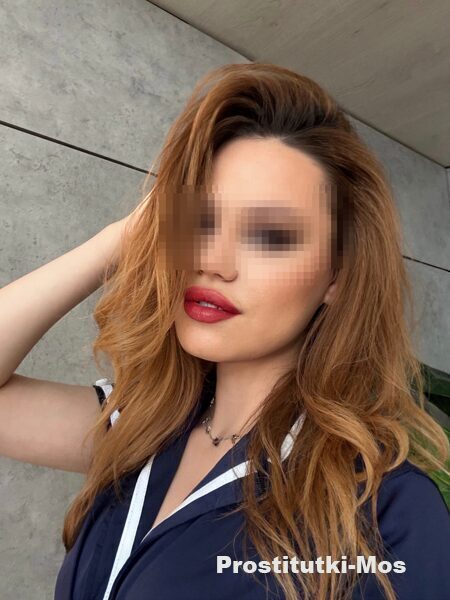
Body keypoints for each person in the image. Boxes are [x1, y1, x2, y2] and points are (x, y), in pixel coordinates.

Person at [0, 62, 449, 600]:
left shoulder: (387, 511)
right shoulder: (142, 428)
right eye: (200, 221)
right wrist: (120, 238)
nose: (211, 260)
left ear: (336, 277)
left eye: (270, 235)